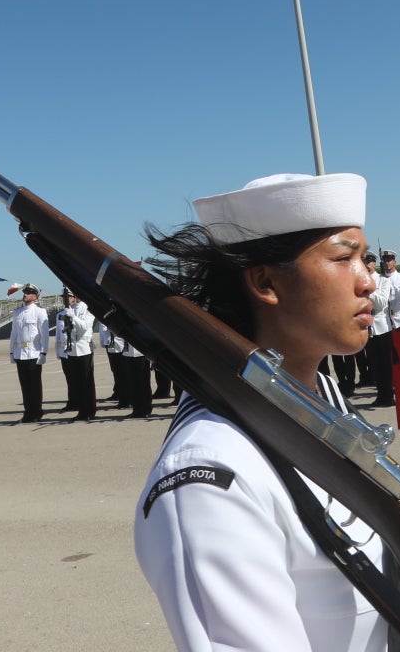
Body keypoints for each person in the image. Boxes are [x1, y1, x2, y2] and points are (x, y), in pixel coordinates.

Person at [133, 170, 387, 652]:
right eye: (344, 258)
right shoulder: (210, 473)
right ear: (266, 282)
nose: (368, 281)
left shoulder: (322, 399)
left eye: (366, 259)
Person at [367, 249, 400, 409]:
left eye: (390, 259)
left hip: (395, 323)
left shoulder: (390, 280)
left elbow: (383, 301)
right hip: (370, 327)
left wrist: (368, 291)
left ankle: (395, 392)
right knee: (375, 364)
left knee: (393, 362)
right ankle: (382, 394)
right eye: (384, 259)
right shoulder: (372, 280)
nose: (387, 262)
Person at [54, 289, 97, 420]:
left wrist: (72, 316)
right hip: (72, 349)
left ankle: (90, 411)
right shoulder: (71, 308)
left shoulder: (88, 308)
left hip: (84, 349)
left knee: (87, 382)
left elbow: (84, 326)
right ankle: (82, 411)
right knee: (77, 382)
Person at [9, 286, 49, 423]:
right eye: (25, 293)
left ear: (35, 297)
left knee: (35, 385)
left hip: (34, 353)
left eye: (29, 293)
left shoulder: (39, 312)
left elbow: (44, 334)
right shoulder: (18, 312)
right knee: (25, 385)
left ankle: (36, 412)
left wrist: (43, 352)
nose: (25, 295)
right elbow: (14, 333)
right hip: (20, 354)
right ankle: (28, 413)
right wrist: (11, 351)